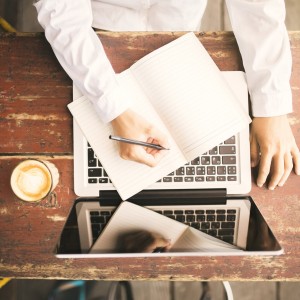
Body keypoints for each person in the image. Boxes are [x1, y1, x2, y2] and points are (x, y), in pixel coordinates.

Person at [34, 0, 300, 190]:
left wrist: (271, 107)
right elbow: (61, 10)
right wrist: (114, 108)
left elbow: (256, 7)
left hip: (182, 33)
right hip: (93, 39)